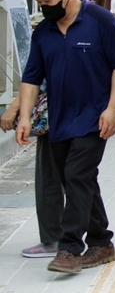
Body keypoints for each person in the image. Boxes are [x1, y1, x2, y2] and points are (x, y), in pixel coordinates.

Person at [16, 0, 115, 274]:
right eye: (39, 3)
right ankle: (101, 241)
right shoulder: (44, 32)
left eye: (48, 1)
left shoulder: (101, 22)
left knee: (78, 175)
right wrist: (24, 116)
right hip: (59, 119)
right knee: (80, 179)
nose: (44, 8)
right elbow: (31, 78)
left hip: (94, 118)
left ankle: (69, 248)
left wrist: (112, 109)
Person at [1, 87, 65, 260]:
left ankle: (53, 238)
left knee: (48, 176)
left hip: (55, 107)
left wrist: (16, 108)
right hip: (76, 107)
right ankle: (97, 238)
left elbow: (39, 79)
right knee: (78, 176)